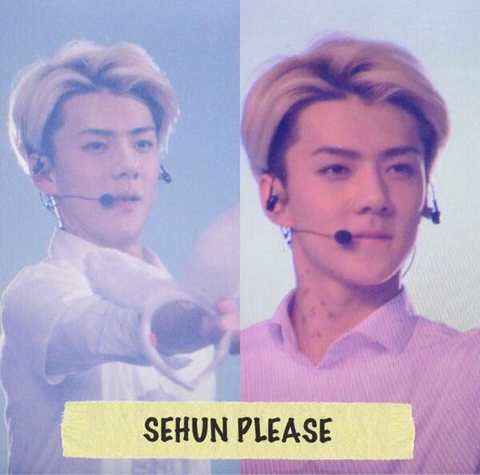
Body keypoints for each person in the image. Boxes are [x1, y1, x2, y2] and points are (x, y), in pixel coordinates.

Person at [240, 35, 480, 474]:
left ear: (426, 195)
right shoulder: (229, 368)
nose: (376, 198)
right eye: (337, 169)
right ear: (275, 199)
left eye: (400, 168)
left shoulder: (467, 374)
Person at [1, 40, 236, 474]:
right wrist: (200, 325)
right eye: (97, 146)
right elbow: (103, 327)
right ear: (42, 171)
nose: (128, 165)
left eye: (143, 144)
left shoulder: (194, 307)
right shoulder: (34, 294)